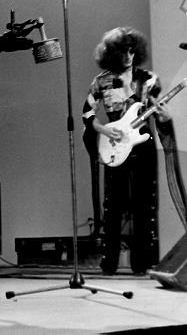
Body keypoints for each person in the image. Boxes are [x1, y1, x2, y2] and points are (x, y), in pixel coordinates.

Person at [81, 27, 171, 275]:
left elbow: (157, 110)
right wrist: (103, 129)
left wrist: (163, 116)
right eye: (123, 51)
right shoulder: (101, 82)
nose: (128, 56)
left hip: (143, 142)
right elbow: (87, 113)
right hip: (115, 145)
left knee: (145, 203)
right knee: (113, 204)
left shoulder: (149, 79)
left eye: (132, 51)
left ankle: (141, 263)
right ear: (112, 53)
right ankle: (109, 262)